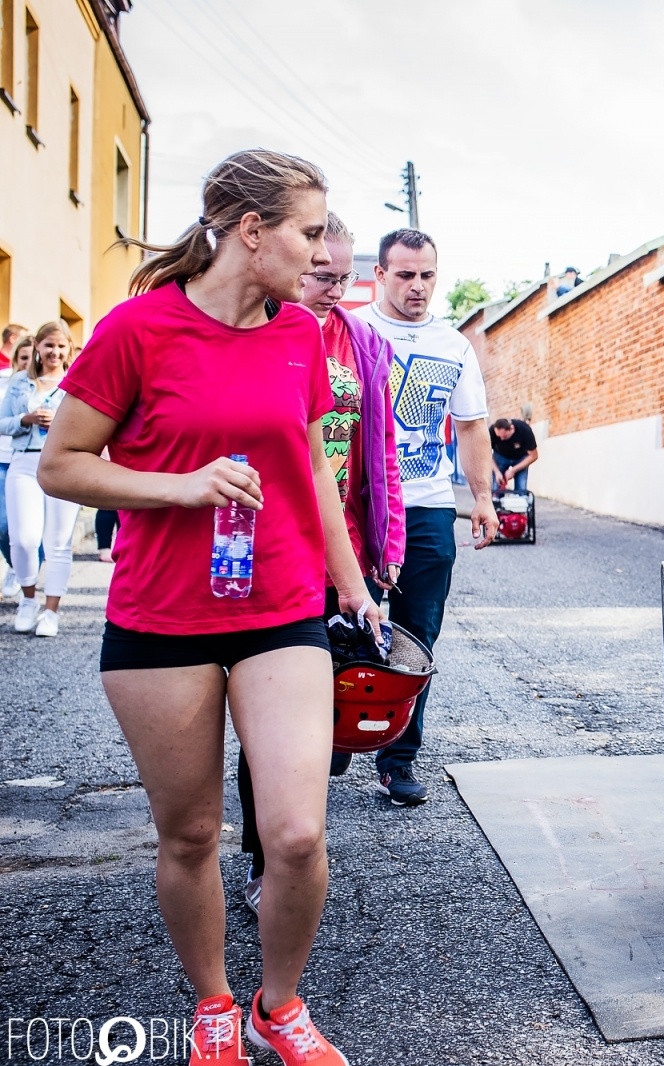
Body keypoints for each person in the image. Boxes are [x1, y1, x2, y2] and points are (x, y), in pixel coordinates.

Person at [38, 148, 366, 1066]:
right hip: (161, 618)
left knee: (296, 835)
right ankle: (215, 1002)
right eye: (307, 232)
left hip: (281, 608)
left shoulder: (300, 335)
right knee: (189, 834)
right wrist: (179, 487)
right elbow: (60, 466)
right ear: (252, 232)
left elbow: (312, 469)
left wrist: (350, 583)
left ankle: (280, 1003)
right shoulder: (136, 330)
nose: (322, 253)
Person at [236, 210, 407, 912]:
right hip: (266, 550)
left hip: (341, 549)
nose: (332, 289)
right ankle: (263, 860)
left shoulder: (363, 342)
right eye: (319, 274)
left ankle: (293, 844)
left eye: (343, 277)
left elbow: (379, 453)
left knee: (326, 728)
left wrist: (383, 550)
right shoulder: (257, 329)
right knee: (268, 718)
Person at [356, 228, 497, 806]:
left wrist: (482, 498)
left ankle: (398, 758)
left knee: (418, 638)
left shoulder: (453, 344)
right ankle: (332, 742)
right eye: (405, 274)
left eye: (427, 275)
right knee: (342, 628)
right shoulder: (352, 330)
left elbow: (470, 427)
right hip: (357, 508)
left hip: (429, 507)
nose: (417, 286)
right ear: (381, 276)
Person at [1, 321, 82, 636]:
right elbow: (2, 422)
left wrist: (58, 426)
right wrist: (26, 418)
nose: (55, 352)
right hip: (24, 462)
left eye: (61, 346)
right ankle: (28, 599)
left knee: (58, 542)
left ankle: (51, 612)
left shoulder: (75, 382)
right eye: (49, 345)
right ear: (37, 347)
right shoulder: (20, 382)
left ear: (69, 349)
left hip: (63, 463)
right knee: (23, 539)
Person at [0, 335, 24, 598]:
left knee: (24, 530)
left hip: (23, 457)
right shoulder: (5, 381)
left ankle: (22, 570)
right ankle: (15, 565)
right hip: (3, 459)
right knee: (4, 525)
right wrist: (23, 420)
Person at [490, 417, 537, 495]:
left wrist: (513, 470)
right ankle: (496, 505)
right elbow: (486, 455)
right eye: (499, 437)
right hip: (500, 456)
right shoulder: (491, 431)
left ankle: (520, 504)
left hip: (520, 458)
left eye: (504, 436)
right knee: (496, 489)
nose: (501, 439)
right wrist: (497, 472)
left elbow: (534, 456)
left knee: (521, 489)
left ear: (511, 429)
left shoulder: (524, 430)